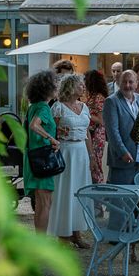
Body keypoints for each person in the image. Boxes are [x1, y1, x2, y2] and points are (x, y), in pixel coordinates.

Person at [47, 74, 92, 248]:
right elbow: (50, 129)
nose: (83, 87)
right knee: (65, 192)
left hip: (81, 152)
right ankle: (63, 234)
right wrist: (59, 131)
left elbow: (87, 132)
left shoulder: (84, 107)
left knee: (80, 191)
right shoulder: (58, 107)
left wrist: (92, 155)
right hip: (65, 151)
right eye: (80, 85)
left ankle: (77, 233)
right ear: (70, 87)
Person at [23, 70, 60, 234]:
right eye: (55, 85)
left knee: (40, 204)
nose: (58, 88)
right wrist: (52, 139)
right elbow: (34, 125)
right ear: (48, 88)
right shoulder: (44, 107)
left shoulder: (34, 107)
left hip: (33, 158)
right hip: (43, 160)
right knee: (45, 204)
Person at [102, 70, 139, 184]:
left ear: (136, 84)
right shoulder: (111, 101)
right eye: (124, 82)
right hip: (122, 160)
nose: (127, 85)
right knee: (119, 198)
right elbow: (112, 132)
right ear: (119, 83)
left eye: (131, 82)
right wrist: (123, 152)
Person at [84, 70, 108, 184]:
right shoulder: (92, 96)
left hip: (97, 135)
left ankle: (98, 197)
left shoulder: (98, 97)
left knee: (96, 165)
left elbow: (101, 120)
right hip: (91, 134)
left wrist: (84, 114)